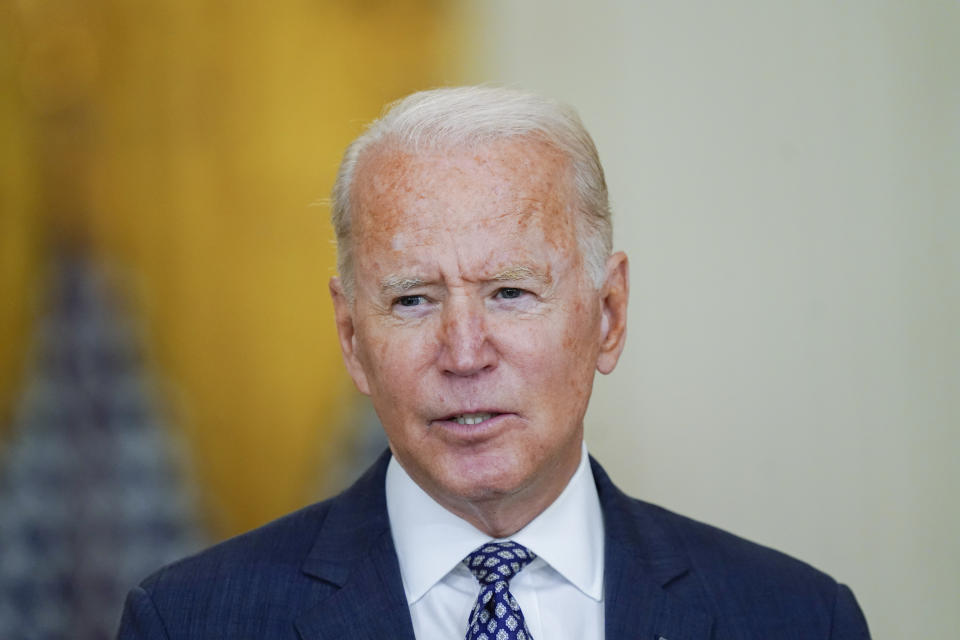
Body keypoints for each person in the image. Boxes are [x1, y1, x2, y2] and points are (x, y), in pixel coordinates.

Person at [117, 86, 871, 639]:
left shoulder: (797, 618)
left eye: (510, 292)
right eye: (413, 300)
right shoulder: (189, 622)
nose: (465, 352)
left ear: (608, 317)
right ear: (352, 339)